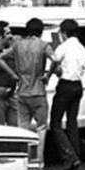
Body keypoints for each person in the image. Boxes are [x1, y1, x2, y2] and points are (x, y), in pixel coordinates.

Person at [48, 19, 85, 170]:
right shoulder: (82, 48)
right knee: (72, 122)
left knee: (56, 123)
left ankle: (69, 156)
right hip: (78, 85)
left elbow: (55, 62)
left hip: (65, 85)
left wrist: (50, 74)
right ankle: (76, 154)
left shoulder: (63, 47)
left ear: (64, 33)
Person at [10, 18, 54, 151]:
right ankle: (38, 163)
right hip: (38, 91)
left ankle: (25, 161)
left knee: (23, 129)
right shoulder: (43, 45)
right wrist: (48, 74)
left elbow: (2, 57)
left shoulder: (17, 45)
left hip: (22, 91)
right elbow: (56, 59)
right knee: (41, 128)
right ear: (40, 32)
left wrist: (13, 74)